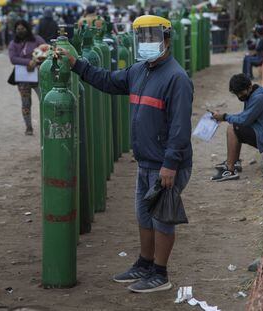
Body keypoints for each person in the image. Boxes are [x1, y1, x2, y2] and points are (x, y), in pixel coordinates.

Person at [57, 15, 193, 293]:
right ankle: (144, 263)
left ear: (167, 40)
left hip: (165, 165)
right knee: (144, 216)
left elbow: (180, 128)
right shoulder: (138, 71)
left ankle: (160, 273)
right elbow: (107, 81)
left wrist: (170, 164)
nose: (146, 43)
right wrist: (77, 65)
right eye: (142, 38)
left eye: (152, 37)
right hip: (144, 162)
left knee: (162, 218)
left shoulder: (177, 78)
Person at [210, 74, 263, 182]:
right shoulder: (252, 95)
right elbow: (244, 116)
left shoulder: (259, 98)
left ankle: (230, 170)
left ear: (250, 87)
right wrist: (223, 116)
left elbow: (243, 120)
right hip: (261, 131)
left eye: (241, 93)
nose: (239, 96)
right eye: (236, 94)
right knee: (235, 127)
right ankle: (234, 161)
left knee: (232, 129)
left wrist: (224, 117)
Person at [8, 20, 45, 135]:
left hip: (38, 76)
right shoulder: (13, 43)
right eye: (18, 29)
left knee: (44, 100)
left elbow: (46, 51)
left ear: (27, 28)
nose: (20, 31)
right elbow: (13, 59)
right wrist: (28, 62)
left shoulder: (37, 40)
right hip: (23, 79)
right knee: (26, 103)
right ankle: (28, 127)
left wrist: (36, 62)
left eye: (22, 28)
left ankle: (47, 124)